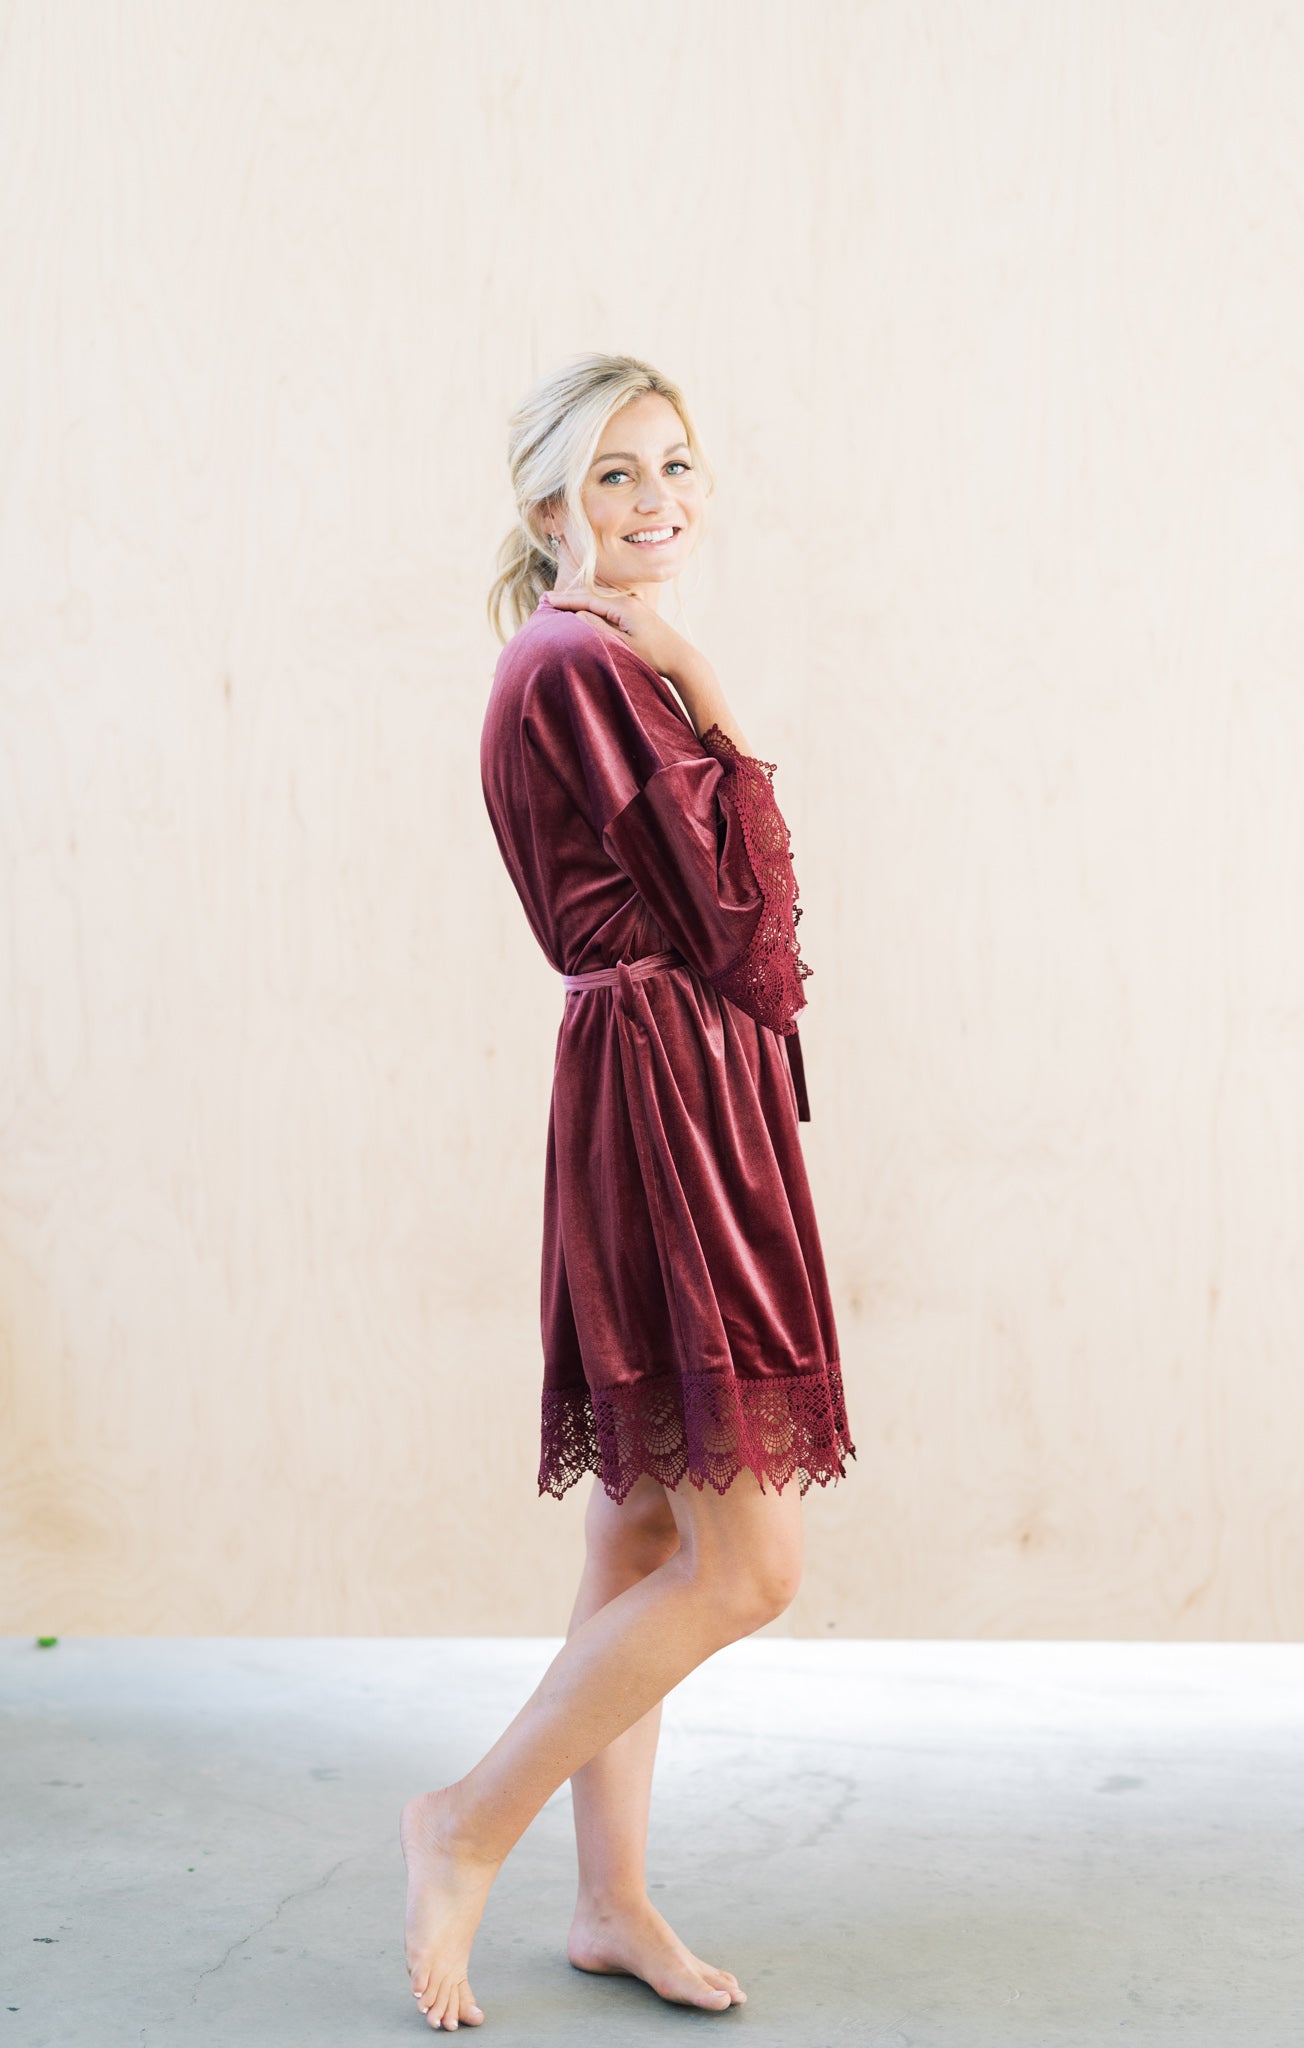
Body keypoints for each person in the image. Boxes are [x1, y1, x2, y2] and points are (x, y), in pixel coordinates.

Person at [400, 352, 856, 2032]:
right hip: (671, 1108)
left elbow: (736, 938)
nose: (655, 501)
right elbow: (750, 938)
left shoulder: (587, 659)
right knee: (748, 1567)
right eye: (612, 476)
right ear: (547, 508)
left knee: (648, 1526)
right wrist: (721, 697)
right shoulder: (593, 666)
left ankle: (610, 1902)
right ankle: (467, 1820)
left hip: (671, 1092)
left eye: (675, 464)